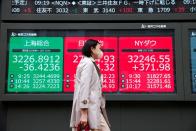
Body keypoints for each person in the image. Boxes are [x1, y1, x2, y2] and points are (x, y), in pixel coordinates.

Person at [70, 39, 111, 131]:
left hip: (92, 108)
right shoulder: (88, 64)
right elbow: (84, 88)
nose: (101, 52)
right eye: (99, 49)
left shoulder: (88, 62)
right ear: (92, 49)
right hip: (89, 109)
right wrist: (84, 113)